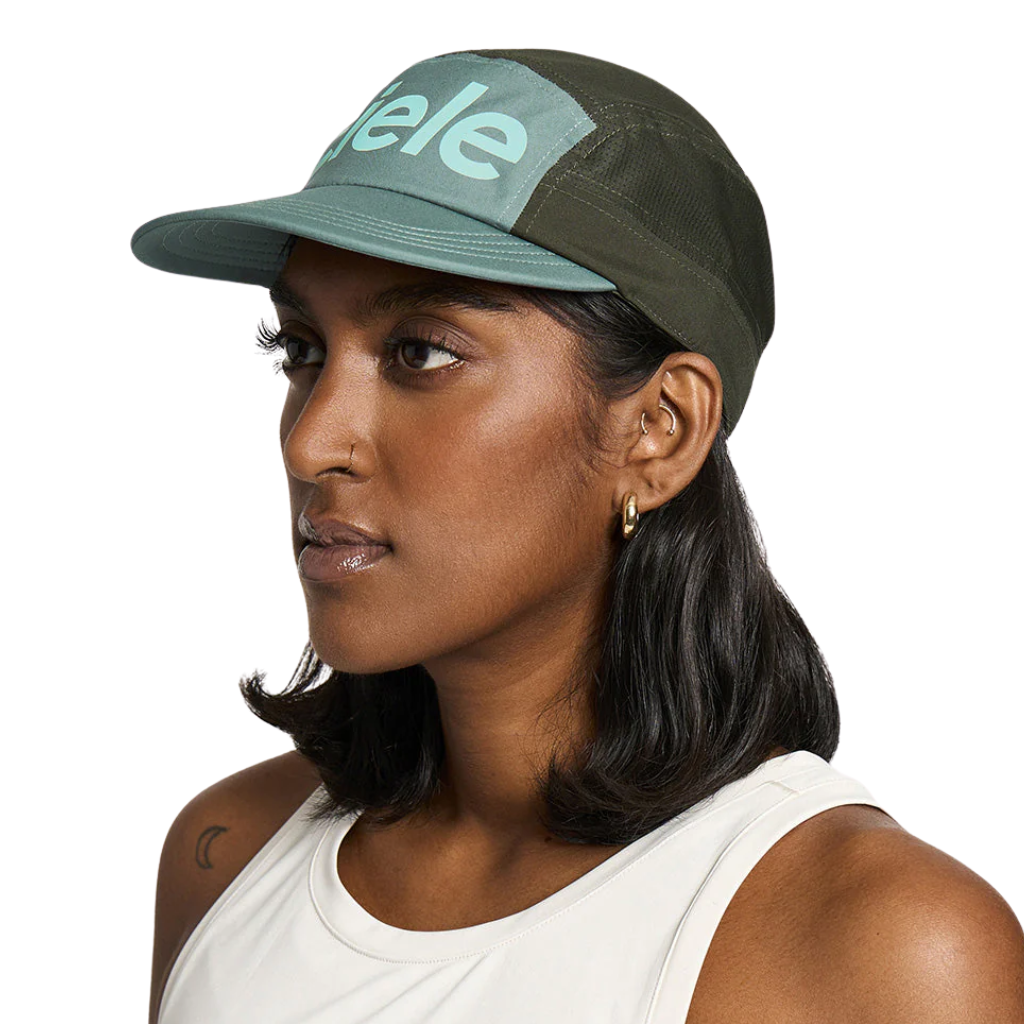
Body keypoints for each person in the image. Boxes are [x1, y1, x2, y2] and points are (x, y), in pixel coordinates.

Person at [132, 48, 1024, 1024]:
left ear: (659, 430)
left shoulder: (881, 951)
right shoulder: (225, 856)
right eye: (301, 349)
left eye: (420, 351)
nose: (309, 442)